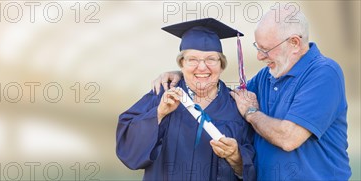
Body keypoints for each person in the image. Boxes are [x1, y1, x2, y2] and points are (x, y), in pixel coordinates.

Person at [152, 6, 351, 180]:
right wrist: (190, 72)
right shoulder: (267, 76)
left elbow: (288, 138)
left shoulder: (324, 74)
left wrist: (251, 113)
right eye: (257, 47)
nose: (259, 56)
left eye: (266, 49)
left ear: (294, 43)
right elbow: (227, 95)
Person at [116, 18, 255, 180]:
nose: (202, 67)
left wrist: (237, 158)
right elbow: (128, 150)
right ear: (182, 64)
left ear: (221, 65)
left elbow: (256, 165)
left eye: (211, 59)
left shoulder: (236, 107)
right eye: (193, 60)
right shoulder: (162, 94)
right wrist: (159, 114)